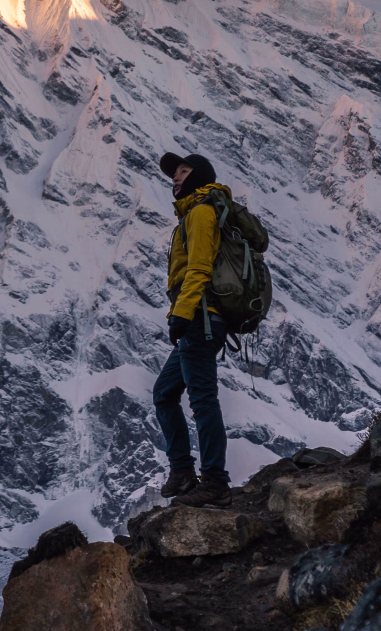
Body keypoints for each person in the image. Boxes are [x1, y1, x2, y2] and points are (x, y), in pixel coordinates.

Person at [152, 151, 231, 507]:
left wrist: (180, 315)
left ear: (200, 176)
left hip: (201, 318)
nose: (176, 177)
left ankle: (215, 481)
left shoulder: (200, 213)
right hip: (197, 319)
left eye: (184, 171)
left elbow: (199, 267)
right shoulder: (190, 214)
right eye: (174, 174)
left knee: (202, 399)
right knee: (165, 393)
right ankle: (183, 471)